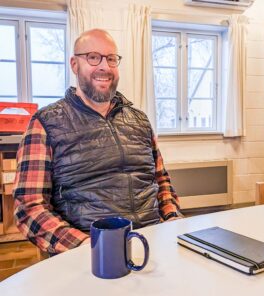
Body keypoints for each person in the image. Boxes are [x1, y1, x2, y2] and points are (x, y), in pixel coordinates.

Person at [13, 29, 181, 256]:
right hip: (87, 252)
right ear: (74, 64)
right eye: (93, 57)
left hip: (151, 242)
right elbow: (30, 207)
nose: (104, 66)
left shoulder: (139, 120)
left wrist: (173, 220)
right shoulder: (45, 122)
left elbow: (161, 182)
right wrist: (86, 246)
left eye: (111, 59)